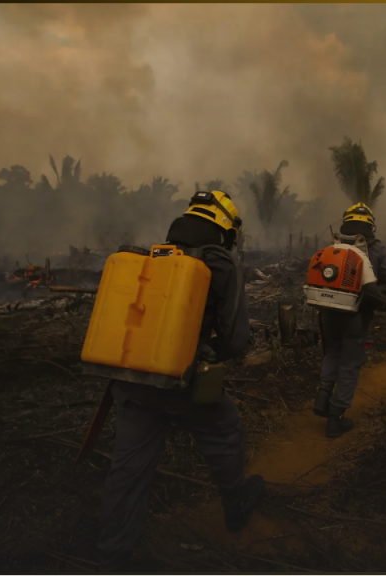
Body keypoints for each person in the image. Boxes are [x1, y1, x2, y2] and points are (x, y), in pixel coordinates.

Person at [97, 190, 264, 571]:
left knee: (128, 469)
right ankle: (235, 507)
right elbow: (236, 341)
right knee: (225, 430)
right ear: (225, 228)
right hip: (184, 384)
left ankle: (112, 556)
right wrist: (209, 352)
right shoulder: (218, 262)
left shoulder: (151, 258)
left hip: (133, 382)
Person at [313, 203, 386, 438]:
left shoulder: (335, 245)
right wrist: (374, 296)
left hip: (328, 310)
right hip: (356, 315)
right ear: (371, 225)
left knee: (332, 352)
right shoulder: (376, 248)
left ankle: (322, 397)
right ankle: (336, 418)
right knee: (350, 363)